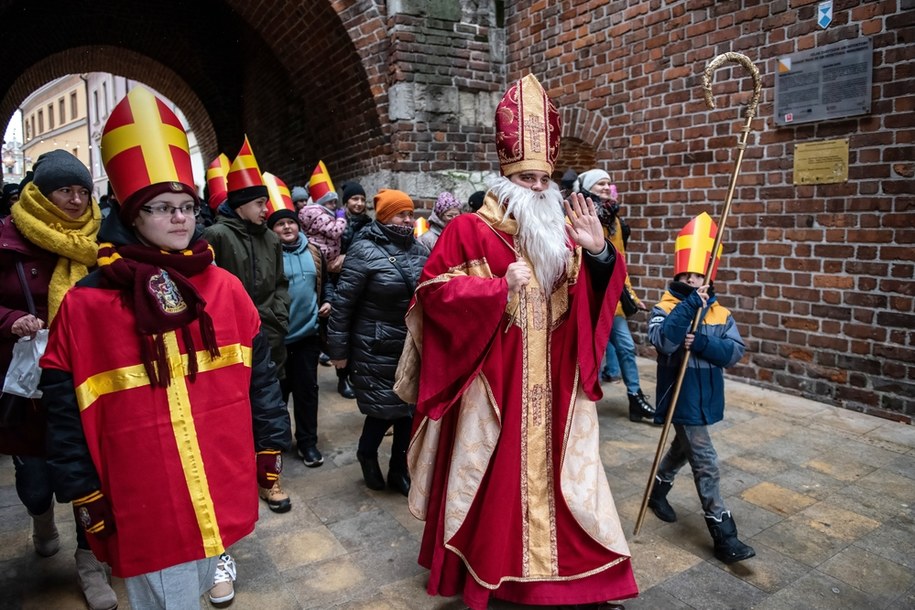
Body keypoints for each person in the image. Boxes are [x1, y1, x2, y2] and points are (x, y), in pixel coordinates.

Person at [39, 87, 292, 610]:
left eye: (186, 207)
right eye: (161, 207)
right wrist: (82, 491)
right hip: (142, 489)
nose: (179, 219)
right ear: (132, 214)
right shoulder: (86, 304)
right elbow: (62, 410)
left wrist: (270, 442)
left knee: (202, 577)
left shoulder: (223, 287)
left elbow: (261, 376)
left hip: (218, 470)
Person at [398, 74, 638, 610]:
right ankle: (491, 571)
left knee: (568, 482)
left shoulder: (568, 229)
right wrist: (492, 290)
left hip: (556, 380)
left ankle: (576, 581)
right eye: (526, 177)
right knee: (493, 480)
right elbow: (432, 295)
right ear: (505, 175)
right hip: (495, 378)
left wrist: (599, 254)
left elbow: (594, 300)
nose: (535, 187)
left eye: (542, 178)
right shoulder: (468, 230)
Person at [0, 150, 118, 610]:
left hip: (87, 375)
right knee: (35, 481)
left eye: (83, 191)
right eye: (65, 190)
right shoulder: (8, 238)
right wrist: (10, 319)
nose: (75, 200)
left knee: (90, 473)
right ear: (41, 193)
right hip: (30, 383)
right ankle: (40, 517)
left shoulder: (101, 238)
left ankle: (92, 563)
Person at [646, 212, 755, 564]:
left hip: (708, 396)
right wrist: (690, 305)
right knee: (706, 461)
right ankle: (724, 534)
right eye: (688, 276)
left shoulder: (720, 313)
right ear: (678, 275)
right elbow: (663, 341)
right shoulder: (664, 307)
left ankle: (658, 488)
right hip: (681, 397)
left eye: (699, 276)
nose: (694, 282)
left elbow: (734, 352)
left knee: (684, 448)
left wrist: (704, 344)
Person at [203, 137, 292, 514]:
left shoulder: (271, 238)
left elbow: (280, 284)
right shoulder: (216, 236)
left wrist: (278, 315)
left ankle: (271, 480)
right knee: (236, 413)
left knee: (269, 409)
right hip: (231, 343)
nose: (266, 208)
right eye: (259, 203)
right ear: (241, 205)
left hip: (270, 335)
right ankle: (235, 477)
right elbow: (208, 289)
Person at [327, 189, 428, 496]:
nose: (408, 220)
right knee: (383, 409)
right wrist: (338, 352)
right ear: (385, 216)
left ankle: (399, 470)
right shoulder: (363, 249)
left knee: (408, 410)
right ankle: (367, 454)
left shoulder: (420, 250)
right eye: (401, 214)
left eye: (411, 213)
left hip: (411, 344)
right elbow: (343, 304)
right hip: (376, 343)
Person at [574, 169, 654, 422]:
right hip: (586, 298)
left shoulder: (615, 221)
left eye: (609, 183)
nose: (607, 187)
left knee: (626, 347)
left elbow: (620, 260)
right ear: (588, 187)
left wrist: (629, 293)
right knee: (590, 352)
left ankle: (635, 397)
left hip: (613, 299)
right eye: (601, 183)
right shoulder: (575, 217)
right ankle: (585, 406)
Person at [266, 173, 331, 468]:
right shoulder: (268, 256)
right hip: (277, 339)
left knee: (307, 393)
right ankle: (277, 444)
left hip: (307, 337)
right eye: (280, 223)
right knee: (278, 395)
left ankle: (307, 443)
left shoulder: (314, 252)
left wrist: (328, 299)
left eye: (290, 221)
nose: (287, 227)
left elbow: (327, 282)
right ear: (273, 230)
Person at [299, 166, 354, 399]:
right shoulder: (316, 213)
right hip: (324, 266)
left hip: (333, 267)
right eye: (331, 203)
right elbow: (334, 232)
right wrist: (341, 217)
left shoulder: (319, 212)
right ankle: (326, 351)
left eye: (335, 204)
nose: (334, 207)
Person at [339, 181, 372, 253]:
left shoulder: (368, 224)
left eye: (363, 200)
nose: (360, 203)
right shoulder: (336, 222)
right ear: (346, 201)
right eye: (355, 199)